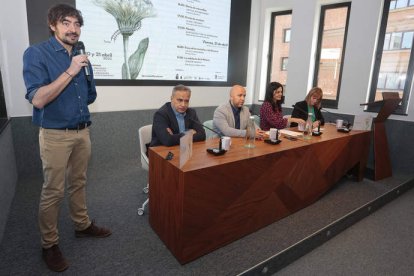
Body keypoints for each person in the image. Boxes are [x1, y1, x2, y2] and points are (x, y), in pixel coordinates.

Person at [22, 4, 111, 272]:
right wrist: (71, 70)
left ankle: (82, 225)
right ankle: (49, 244)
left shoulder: (81, 56)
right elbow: (38, 99)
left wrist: (80, 72)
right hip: (55, 135)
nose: (73, 29)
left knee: (79, 182)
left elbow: (90, 93)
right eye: (66, 23)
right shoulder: (36, 53)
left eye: (77, 24)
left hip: (82, 131)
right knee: (53, 190)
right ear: (53, 25)